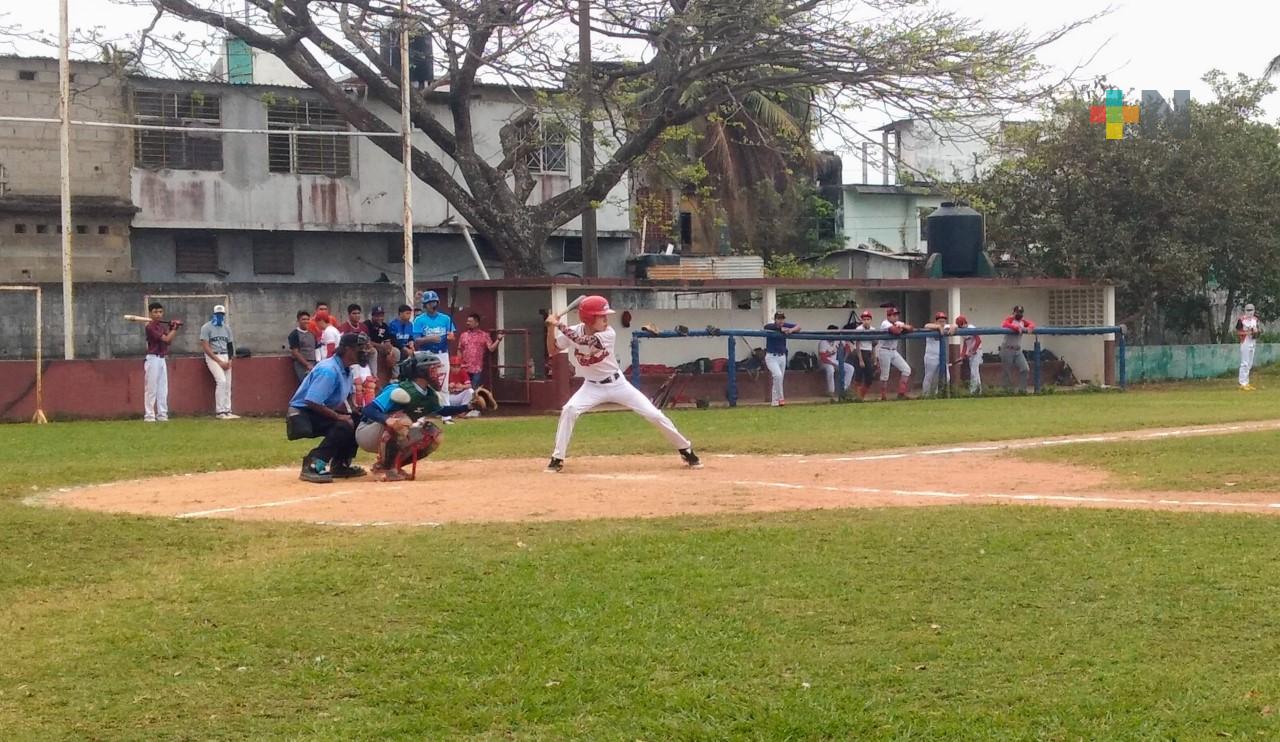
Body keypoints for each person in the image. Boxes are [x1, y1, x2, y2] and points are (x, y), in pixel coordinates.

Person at [544, 295, 701, 473]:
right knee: (569, 409)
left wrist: (558, 324)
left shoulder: (608, 333)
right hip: (592, 386)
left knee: (654, 414)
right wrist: (551, 328)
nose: (606, 319)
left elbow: (582, 341)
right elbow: (552, 350)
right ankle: (557, 458)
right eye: (601, 316)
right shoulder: (573, 331)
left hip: (617, 384)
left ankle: (685, 449)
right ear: (588, 318)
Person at [287, 332, 369, 483]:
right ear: (348, 349)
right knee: (343, 425)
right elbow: (312, 401)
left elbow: (346, 396)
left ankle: (340, 464)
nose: (364, 351)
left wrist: (354, 410)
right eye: (360, 348)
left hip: (315, 411)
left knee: (357, 421)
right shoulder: (329, 370)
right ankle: (313, 464)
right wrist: (339, 416)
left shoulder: (347, 370)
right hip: (302, 414)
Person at [143, 301, 181, 422]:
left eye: (160, 312)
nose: (158, 314)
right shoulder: (150, 326)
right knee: (151, 389)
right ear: (150, 313)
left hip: (161, 358)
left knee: (163, 388)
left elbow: (169, 341)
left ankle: (162, 414)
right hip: (152, 358)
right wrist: (175, 329)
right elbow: (166, 339)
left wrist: (171, 328)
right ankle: (149, 415)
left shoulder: (160, 326)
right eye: (155, 312)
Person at [199, 304, 239, 419]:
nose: (220, 316)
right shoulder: (206, 327)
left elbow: (230, 345)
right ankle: (220, 411)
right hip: (213, 356)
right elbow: (205, 346)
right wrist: (219, 361)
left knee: (228, 384)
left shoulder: (227, 328)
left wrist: (230, 360)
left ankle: (227, 410)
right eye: (218, 314)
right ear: (214, 314)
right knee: (221, 381)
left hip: (225, 355)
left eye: (222, 314)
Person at [412, 290, 457, 381]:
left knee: (442, 383)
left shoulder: (446, 318)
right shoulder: (419, 320)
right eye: (429, 303)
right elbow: (416, 340)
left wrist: (451, 337)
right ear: (425, 305)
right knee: (426, 382)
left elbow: (452, 336)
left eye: (434, 302)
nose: (432, 305)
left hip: (442, 353)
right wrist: (430, 339)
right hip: (425, 354)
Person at [763, 311, 800, 406]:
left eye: (782, 318)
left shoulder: (785, 325)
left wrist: (791, 330)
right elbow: (766, 327)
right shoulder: (771, 326)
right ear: (775, 319)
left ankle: (775, 401)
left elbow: (798, 327)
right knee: (778, 375)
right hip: (771, 356)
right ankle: (781, 398)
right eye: (779, 318)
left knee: (779, 379)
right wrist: (781, 329)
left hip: (782, 356)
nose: (781, 320)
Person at [876, 306, 913, 401]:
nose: (896, 317)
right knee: (885, 375)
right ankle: (883, 396)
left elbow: (911, 328)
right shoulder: (885, 323)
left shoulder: (898, 323)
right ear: (888, 316)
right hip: (884, 350)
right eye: (893, 315)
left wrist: (903, 326)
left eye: (896, 315)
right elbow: (896, 331)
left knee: (906, 369)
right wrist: (902, 328)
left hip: (893, 351)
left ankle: (901, 393)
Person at [457, 312, 501, 389]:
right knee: (464, 389)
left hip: (477, 368)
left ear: (477, 323)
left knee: (474, 389)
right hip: (464, 368)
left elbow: (491, 349)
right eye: (467, 321)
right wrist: (458, 363)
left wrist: (498, 340)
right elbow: (459, 349)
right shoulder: (463, 335)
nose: (468, 323)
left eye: (470, 321)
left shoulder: (484, 335)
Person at [1000, 305, 1036, 393]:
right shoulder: (1010, 319)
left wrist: (1030, 327)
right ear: (1014, 312)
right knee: (1007, 372)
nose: (1019, 314)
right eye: (1017, 312)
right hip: (1007, 349)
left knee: (1025, 369)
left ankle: (1022, 390)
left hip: (1018, 350)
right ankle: (1007, 391)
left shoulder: (1023, 321)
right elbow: (1004, 324)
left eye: (1021, 312)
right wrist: (1015, 328)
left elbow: (1032, 323)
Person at [921, 311, 955, 397]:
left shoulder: (945, 326)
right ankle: (925, 395)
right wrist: (938, 327)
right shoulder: (931, 327)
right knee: (929, 377)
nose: (942, 323)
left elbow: (955, 325)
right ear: (936, 321)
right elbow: (926, 325)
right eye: (940, 321)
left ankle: (938, 394)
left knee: (947, 377)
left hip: (942, 356)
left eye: (943, 321)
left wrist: (953, 327)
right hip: (930, 357)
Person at [363, 305, 399, 383]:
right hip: (369, 346)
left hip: (380, 347)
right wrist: (382, 346)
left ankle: (395, 377)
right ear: (372, 316)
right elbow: (367, 341)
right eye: (377, 316)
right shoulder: (366, 324)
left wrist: (389, 352)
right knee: (374, 352)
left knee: (396, 351)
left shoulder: (384, 326)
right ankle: (374, 376)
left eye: (381, 316)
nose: (380, 318)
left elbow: (387, 342)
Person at [818, 324, 855, 399]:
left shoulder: (837, 340)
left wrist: (844, 359)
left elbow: (847, 347)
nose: (836, 335)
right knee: (830, 369)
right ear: (828, 333)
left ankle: (844, 389)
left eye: (836, 333)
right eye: (834, 333)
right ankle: (831, 391)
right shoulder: (823, 342)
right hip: (823, 363)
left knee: (850, 368)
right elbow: (823, 357)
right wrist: (834, 364)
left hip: (834, 361)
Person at [850, 310, 878, 401]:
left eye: (868, 319)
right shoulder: (859, 329)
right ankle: (857, 396)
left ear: (871, 320)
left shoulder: (873, 330)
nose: (866, 321)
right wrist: (860, 359)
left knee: (869, 377)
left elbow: (873, 345)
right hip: (860, 352)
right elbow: (857, 345)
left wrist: (874, 357)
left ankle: (861, 395)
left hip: (868, 352)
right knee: (858, 376)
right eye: (864, 319)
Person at [1237, 303, 1263, 391]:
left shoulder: (1255, 320)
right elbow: (1238, 332)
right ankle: (1242, 383)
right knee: (1244, 363)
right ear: (1245, 311)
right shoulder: (1241, 320)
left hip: (1253, 341)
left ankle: (1246, 382)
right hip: (1245, 342)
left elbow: (1258, 330)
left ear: (1254, 311)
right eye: (1248, 310)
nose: (1250, 312)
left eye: (1251, 310)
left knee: (1250, 363)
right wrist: (1247, 332)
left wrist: (1257, 332)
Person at [955, 315, 983, 395]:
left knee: (974, 372)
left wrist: (973, 351)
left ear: (965, 323)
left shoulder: (971, 328)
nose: (961, 327)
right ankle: (978, 391)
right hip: (971, 352)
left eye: (961, 324)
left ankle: (973, 391)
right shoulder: (962, 331)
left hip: (977, 351)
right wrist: (962, 355)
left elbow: (978, 340)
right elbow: (965, 344)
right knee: (974, 372)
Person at [287, 310, 316, 384]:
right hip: (301, 365)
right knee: (305, 384)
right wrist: (307, 364)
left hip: (314, 363)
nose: (306, 321)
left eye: (307, 319)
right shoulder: (294, 334)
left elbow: (316, 348)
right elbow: (295, 352)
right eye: (303, 319)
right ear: (298, 321)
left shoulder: (312, 333)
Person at [388, 304, 416, 374]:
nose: (409, 316)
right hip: (396, 347)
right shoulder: (393, 324)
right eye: (407, 313)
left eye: (410, 314)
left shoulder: (410, 324)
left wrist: (411, 343)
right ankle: (396, 375)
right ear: (400, 314)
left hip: (406, 346)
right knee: (398, 352)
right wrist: (404, 348)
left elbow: (410, 337)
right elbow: (393, 340)